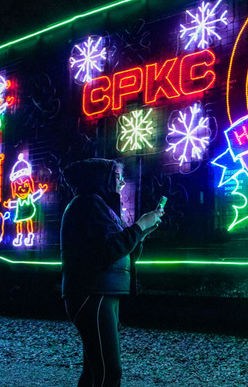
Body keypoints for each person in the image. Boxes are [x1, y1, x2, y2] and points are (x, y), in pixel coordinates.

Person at [60, 158, 163, 387]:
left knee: (95, 370)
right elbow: (109, 251)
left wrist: (141, 233)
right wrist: (139, 226)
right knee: (109, 371)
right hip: (93, 294)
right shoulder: (88, 204)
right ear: (102, 179)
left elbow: (120, 254)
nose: (122, 182)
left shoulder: (98, 206)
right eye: (117, 176)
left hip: (101, 292)